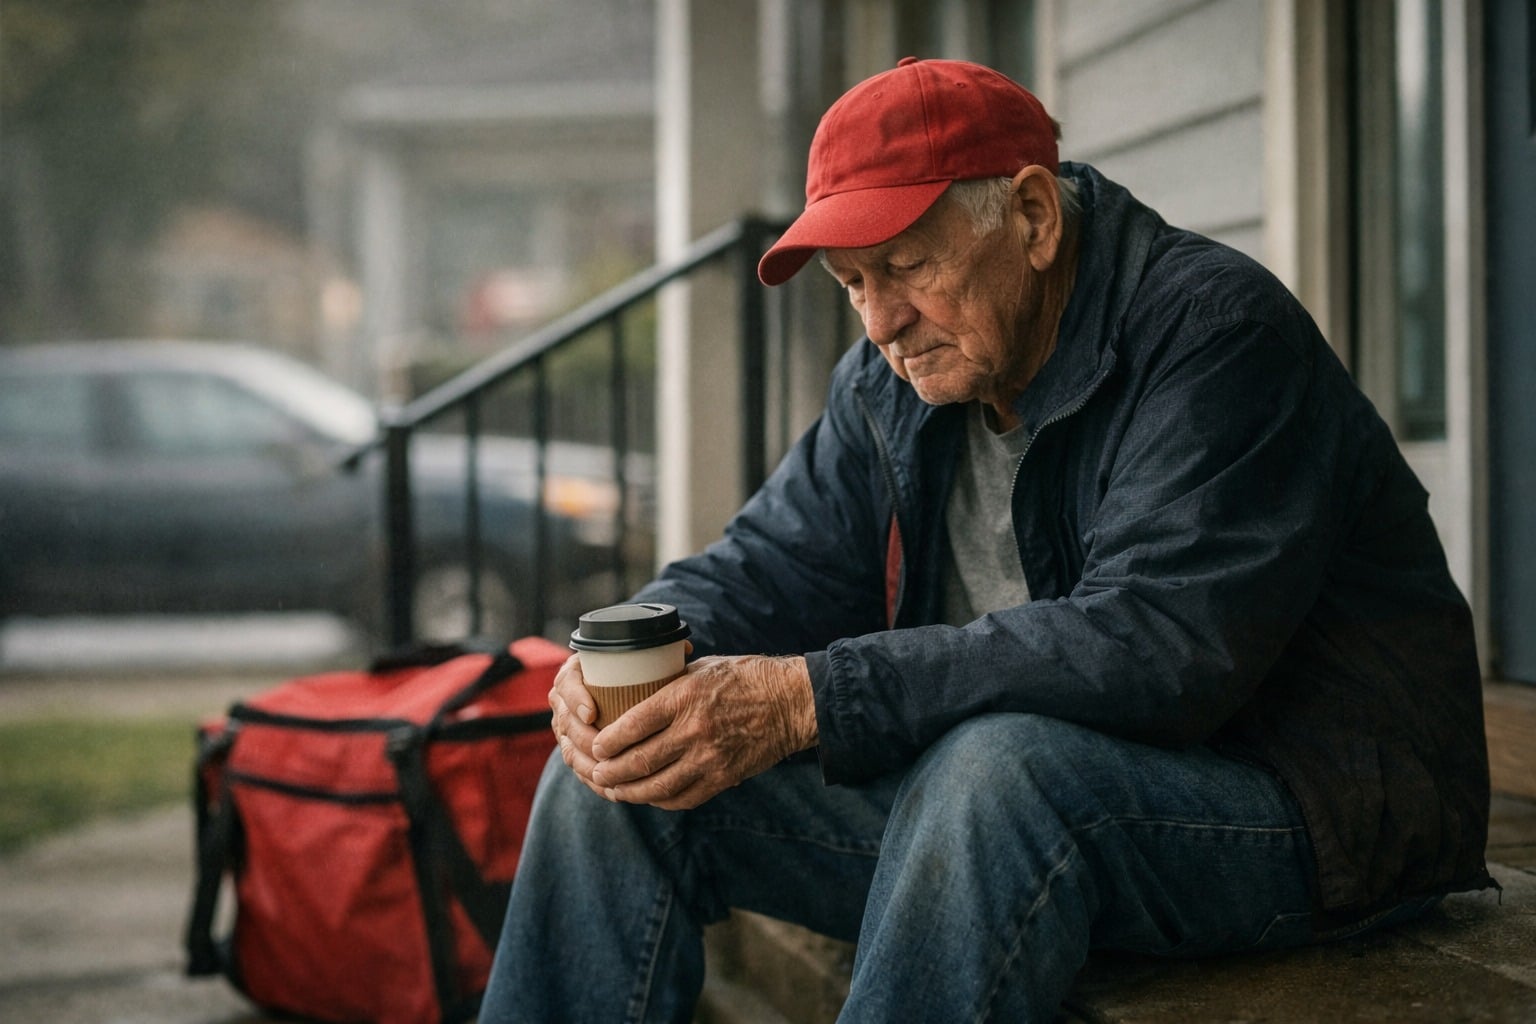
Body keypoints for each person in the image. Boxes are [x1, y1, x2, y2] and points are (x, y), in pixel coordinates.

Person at [480, 58, 1494, 1023]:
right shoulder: (890, 378)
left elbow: (1156, 647)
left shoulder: (1216, 334)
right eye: (851, 283)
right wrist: (632, 656)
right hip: (997, 817)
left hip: (1307, 815)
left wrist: (810, 697)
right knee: (619, 777)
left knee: (995, 770)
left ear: (1035, 217)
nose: (881, 321)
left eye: (905, 265)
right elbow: (775, 561)